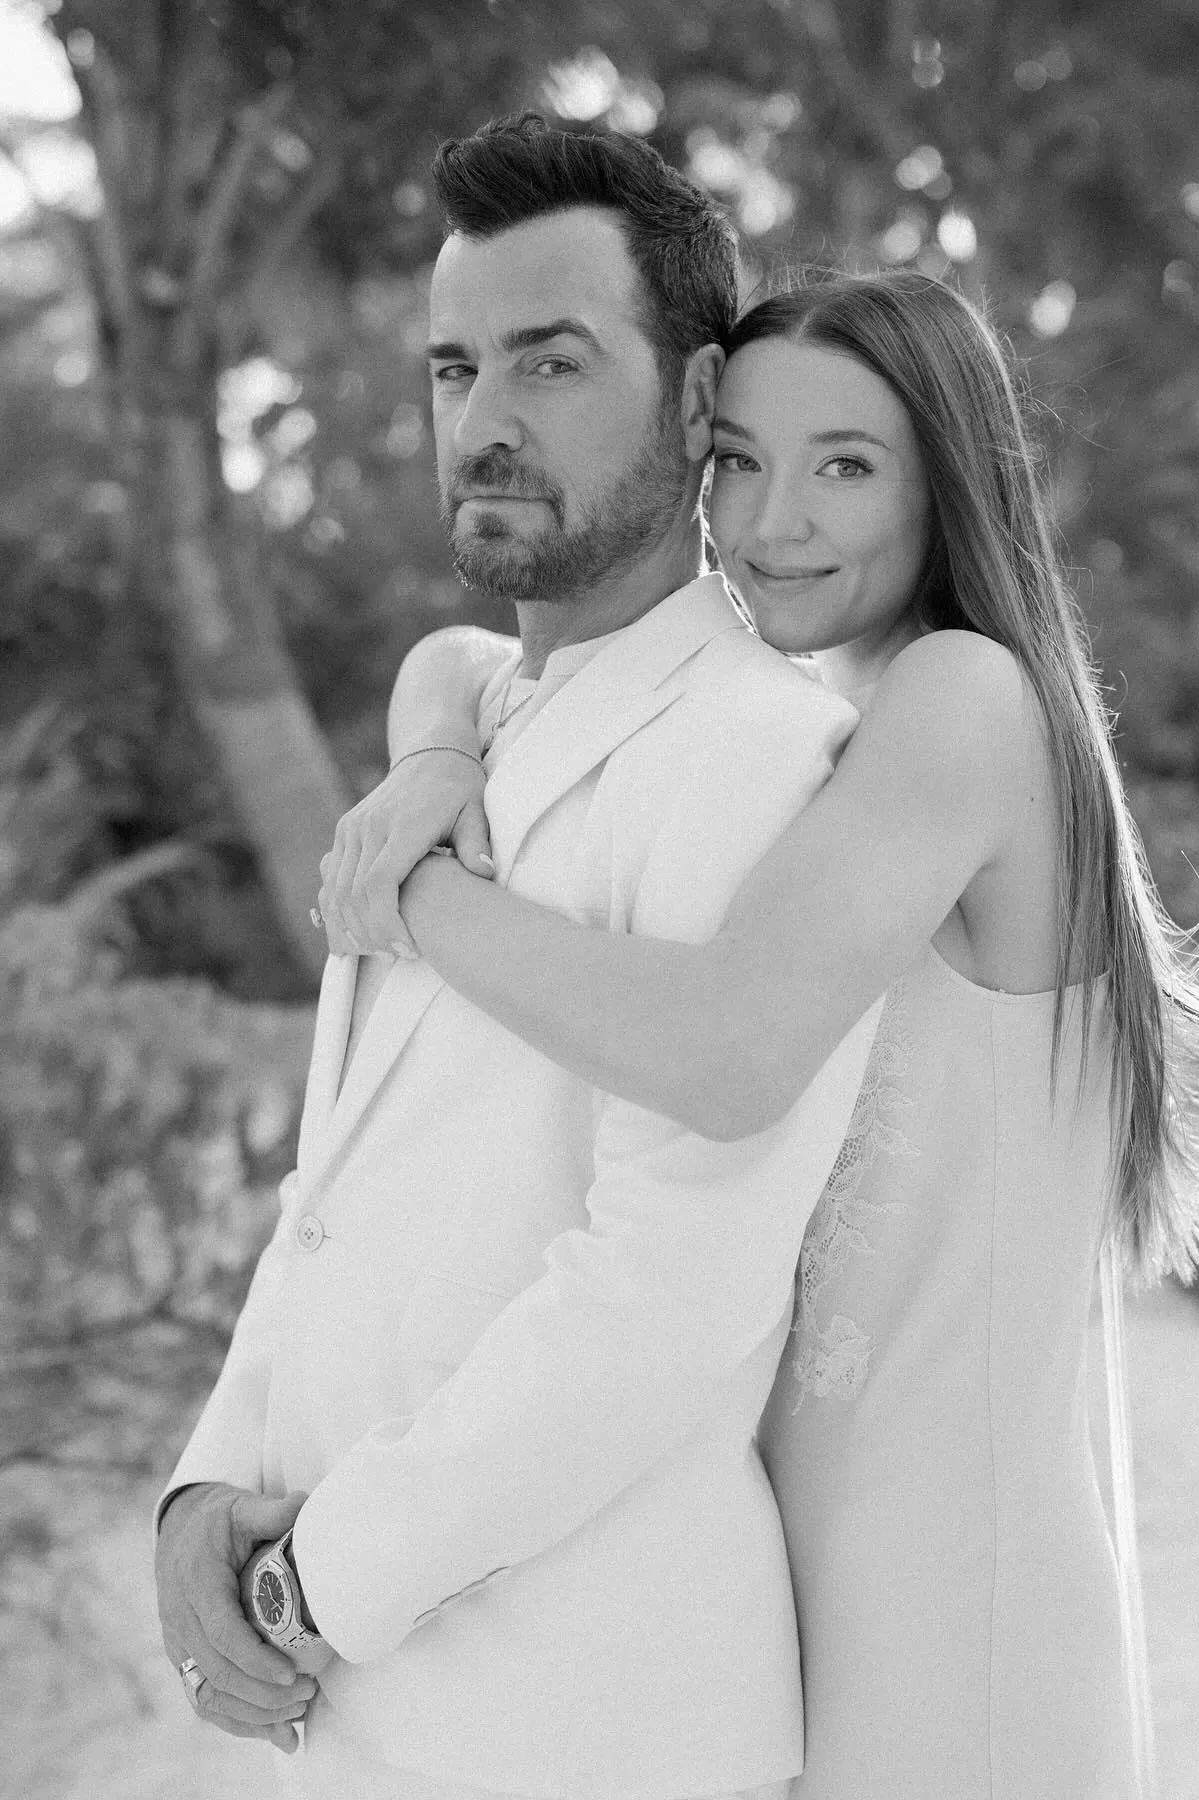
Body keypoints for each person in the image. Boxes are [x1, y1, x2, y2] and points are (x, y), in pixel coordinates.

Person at [321, 268, 1199, 1800]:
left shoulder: (963, 695)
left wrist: (415, 894)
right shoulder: (819, 718)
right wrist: (429, 756)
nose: (772, 521)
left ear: (949, 483)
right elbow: (464, 657)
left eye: (846, 466)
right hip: (813, 1576)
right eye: (739, 460)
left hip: (949, 1604)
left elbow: (726, 1054)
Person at [152, 115, 889, 1800]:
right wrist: (204, 1488)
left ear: (699, 403)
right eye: (453, 367)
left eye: (551, 363)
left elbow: (671, 1291)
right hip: (359, 1710)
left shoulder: (757, 753)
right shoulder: (465, 729)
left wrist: (314, 1580)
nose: (483, 419)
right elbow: (336, 1188)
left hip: (586, 1719)